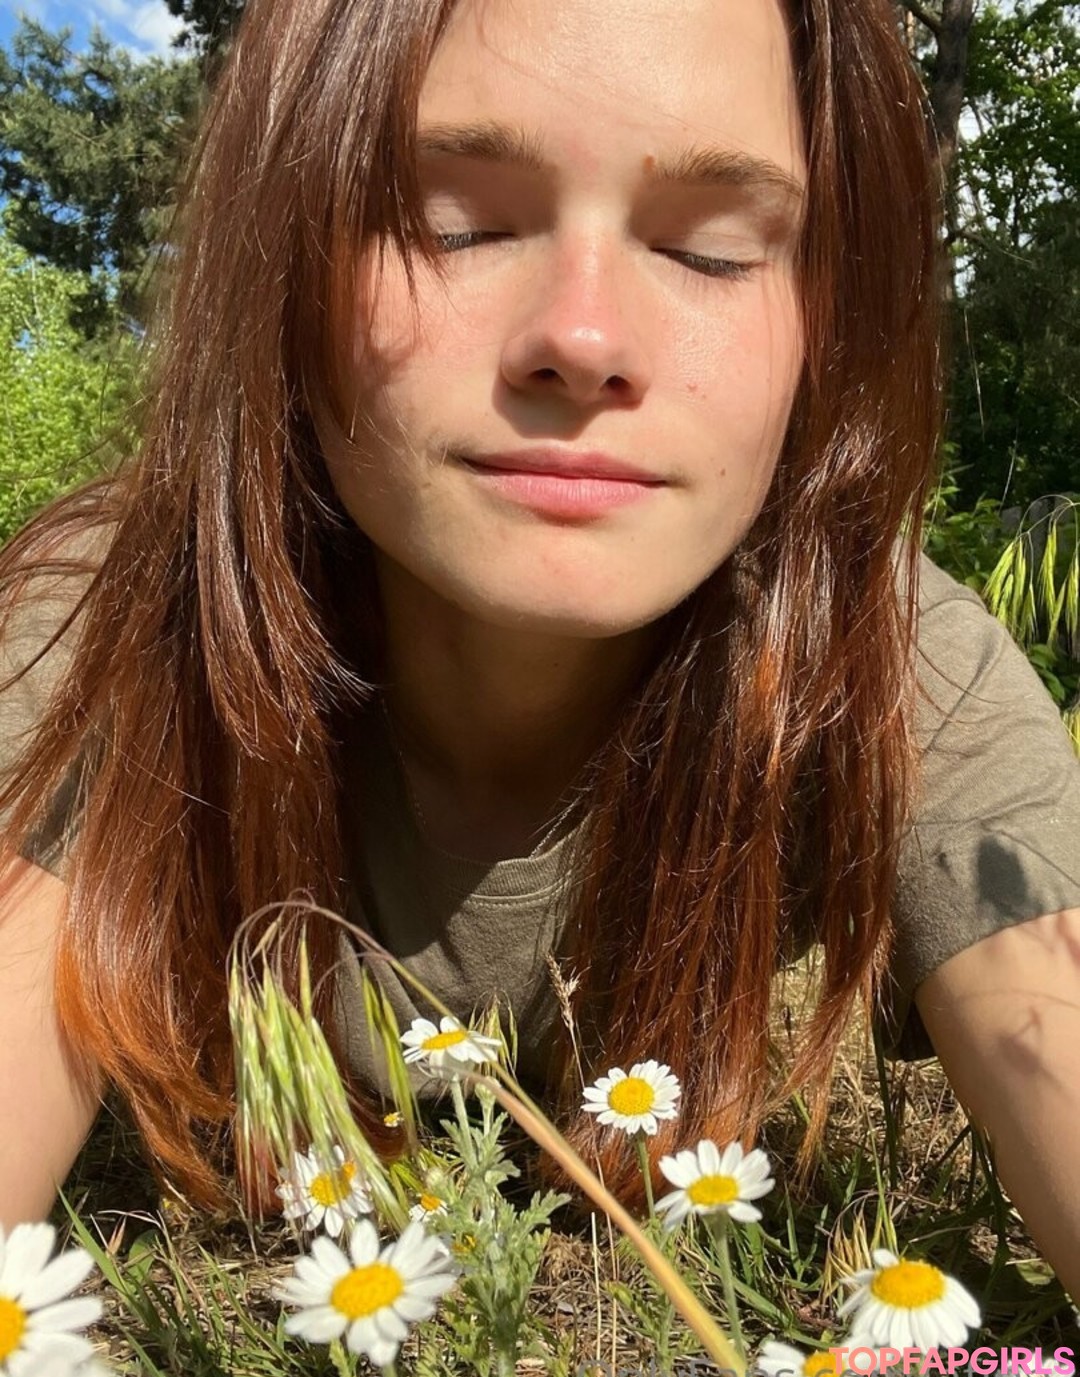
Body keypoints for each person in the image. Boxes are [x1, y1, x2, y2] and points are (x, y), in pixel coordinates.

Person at [1, 0, 1078, 1305]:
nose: (584, 338)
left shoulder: (896, 668)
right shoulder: (120, 623)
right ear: (281, 259)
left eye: (712, 250)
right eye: (458, 225)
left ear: (825, 324)